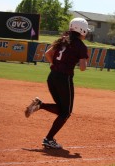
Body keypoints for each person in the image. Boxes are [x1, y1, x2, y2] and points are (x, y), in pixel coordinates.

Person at [24, 17, 89, 149]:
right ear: (81, 30)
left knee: (62, 109)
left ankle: (40, 105)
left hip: (52, 77)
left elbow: (48, 54)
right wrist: (84, 58)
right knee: (66, 112)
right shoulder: (81, 46)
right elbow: (82, 68)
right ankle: (48, 139)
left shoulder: (63, 39)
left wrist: (55, 64)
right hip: (64, 79)